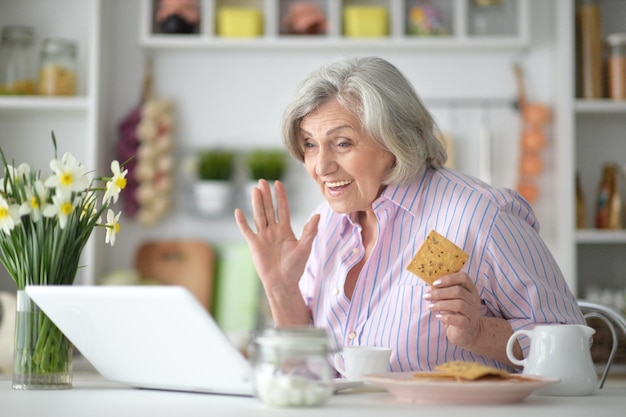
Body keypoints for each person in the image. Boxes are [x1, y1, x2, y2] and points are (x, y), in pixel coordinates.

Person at [234, 56, 585, 372]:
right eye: (310, 144)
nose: (321, 166)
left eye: (342, 143)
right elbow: (309, 368)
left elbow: (568, 346)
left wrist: (478, 332)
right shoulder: (324, 224)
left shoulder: (479, 215)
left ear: (395, 140)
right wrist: (281, 288)